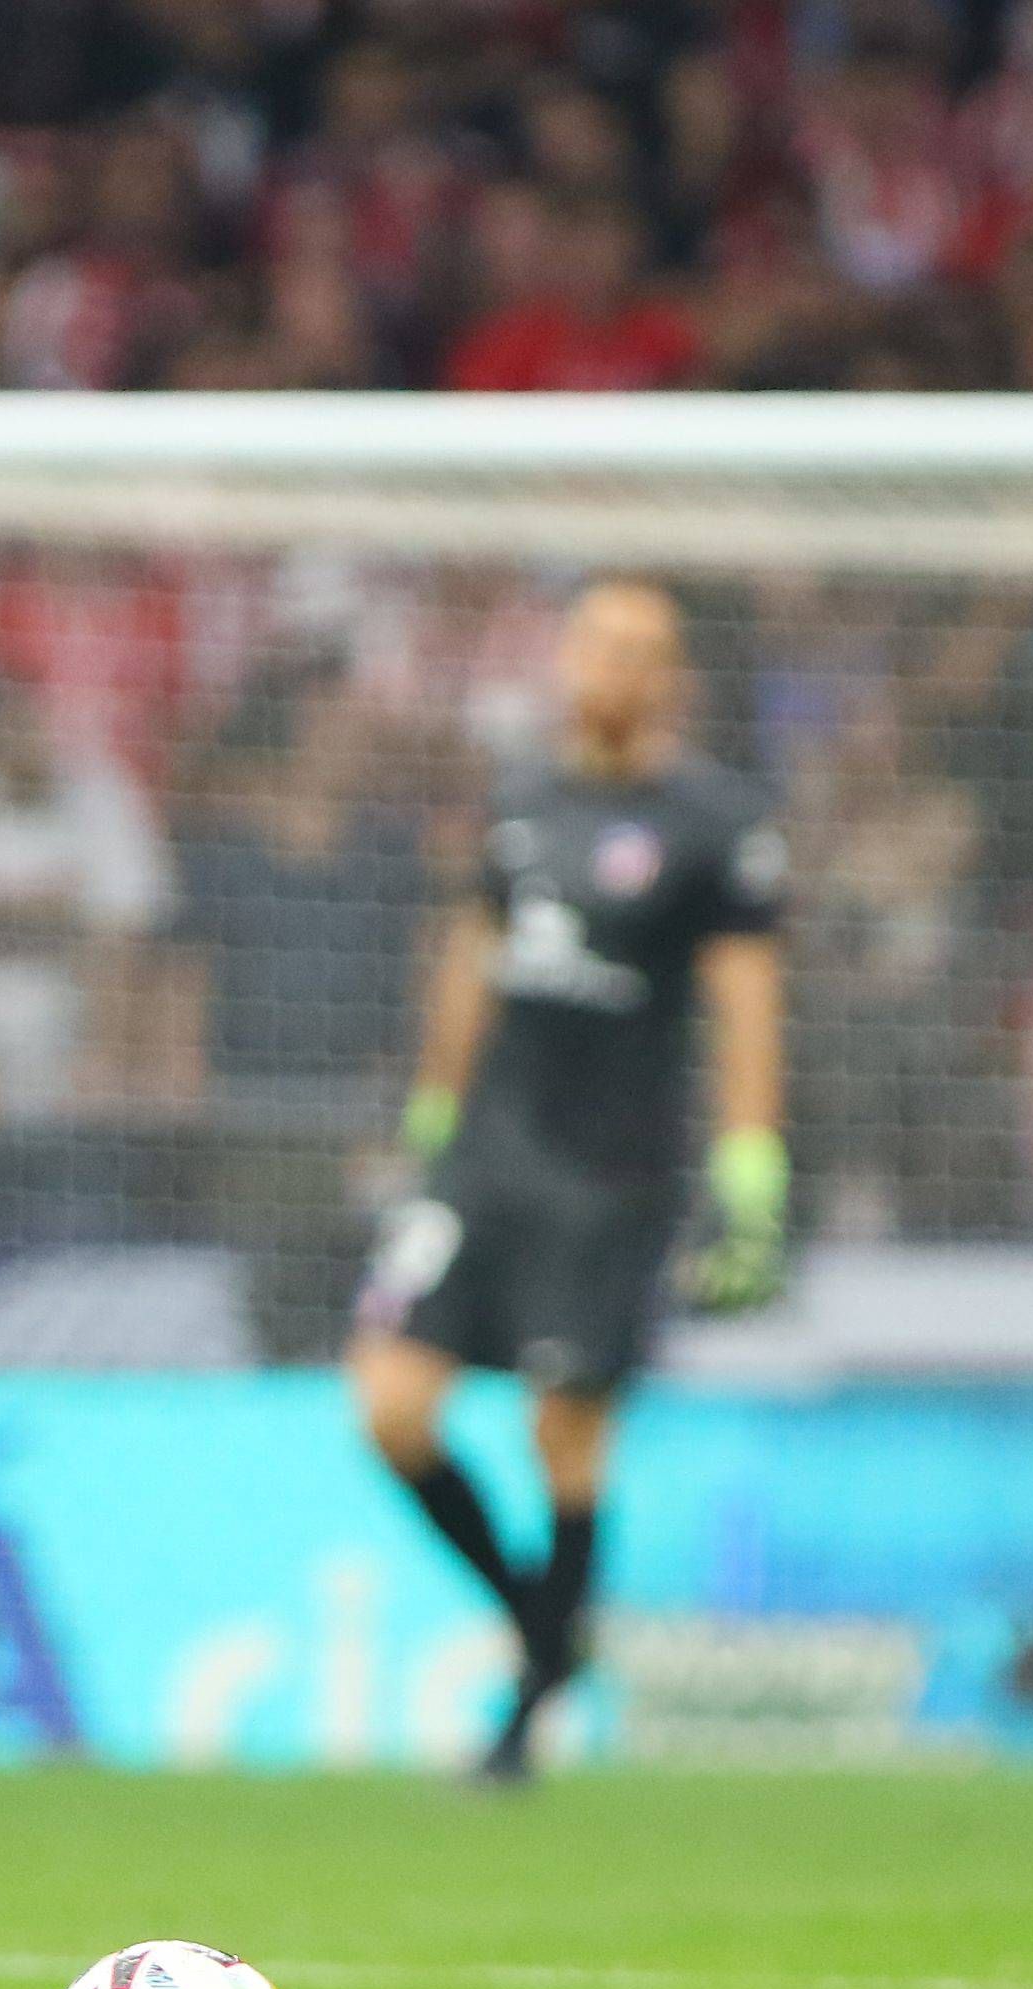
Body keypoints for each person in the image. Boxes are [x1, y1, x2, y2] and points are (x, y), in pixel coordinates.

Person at [347, 581, 789, 1782]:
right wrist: (430, 1114)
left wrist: (750, 1171)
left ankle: (519, 1721)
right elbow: (467, 962)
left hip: (613, 1175)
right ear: (562, 658)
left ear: (671, 676)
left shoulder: (714, 823)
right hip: (485, 1154)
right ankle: (546, 1630)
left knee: (563, 1434)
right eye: (597, 642)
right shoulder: (517, 801)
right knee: (388, 1402)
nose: (615, 667)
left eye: (643, 650)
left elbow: (744, 1008)